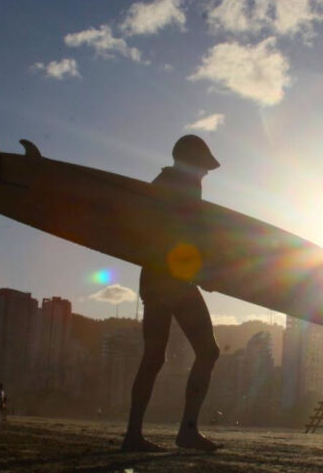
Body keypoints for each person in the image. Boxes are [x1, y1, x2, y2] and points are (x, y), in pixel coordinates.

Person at [122, 135, 222, 452]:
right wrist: (201, 271)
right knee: (207, 351)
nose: (206, 173)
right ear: (190, 161)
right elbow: (178, 234)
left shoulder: (165, 182)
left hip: (156, 279)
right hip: (171, 281)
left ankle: (133, 436)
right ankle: (186, 432)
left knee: (154, 357)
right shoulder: (181, 185)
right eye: (204, 166)